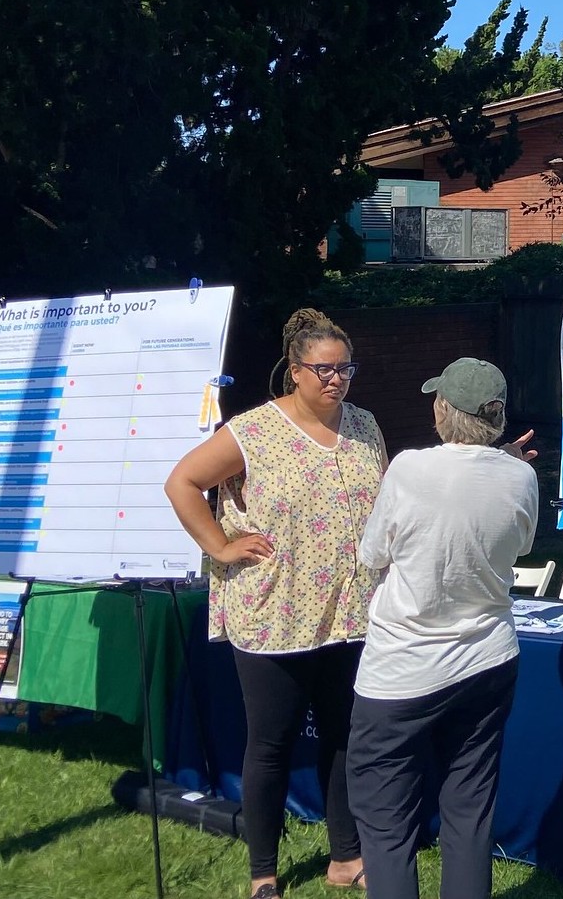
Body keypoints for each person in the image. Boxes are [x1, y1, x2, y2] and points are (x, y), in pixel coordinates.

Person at [164, 309, 383, 898]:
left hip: (351, 610)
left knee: (344, 734)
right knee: (271, 742)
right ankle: (264, 871)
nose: (336, 380)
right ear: (294, 370)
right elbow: (181, 482)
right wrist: (221, 545)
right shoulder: (253, 431)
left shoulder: (364, 426)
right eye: (323, 370)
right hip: (275, 612)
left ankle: (345, 857)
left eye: (345, 368)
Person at [347, 358, 539, 899]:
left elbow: (371, 553)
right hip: (487, 657)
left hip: (402, 668)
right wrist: (503, 464)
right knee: (469, 809)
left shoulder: (409, 468)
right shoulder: (520, 475)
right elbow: (517, 541)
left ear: (443, 410)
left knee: (385, 821)